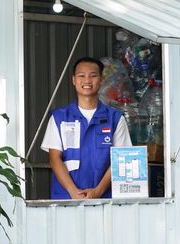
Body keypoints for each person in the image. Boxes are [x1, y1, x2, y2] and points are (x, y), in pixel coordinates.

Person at [41, 57, 131, 200]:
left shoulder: (115, 118)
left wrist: (98, 192)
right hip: (67, 198)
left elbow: (120, 159)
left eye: (93, 76)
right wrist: (73, 192)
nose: (87, 81)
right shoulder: (59, 118)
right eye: (81, 76)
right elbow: (54, 158)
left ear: (101, 80)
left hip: (105, 199)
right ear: (74, 80)